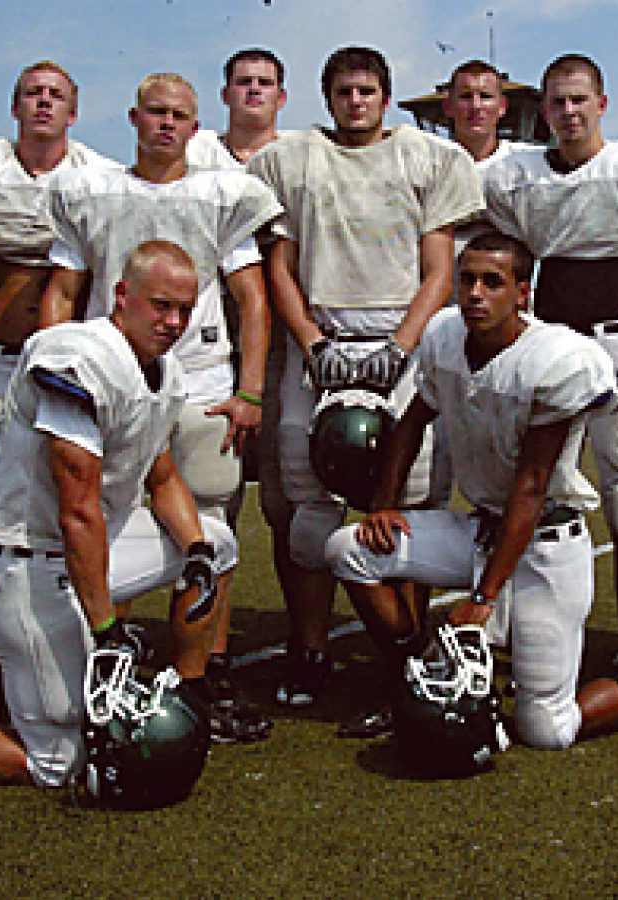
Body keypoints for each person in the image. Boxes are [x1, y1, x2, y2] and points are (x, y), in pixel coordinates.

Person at [0, 241, 237, 786]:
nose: (173, 322)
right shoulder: (77, 355)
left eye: (184, 310)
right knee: (62, 761)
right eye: (161, 305)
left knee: (216, 542)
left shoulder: (161, 372)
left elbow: (162, 478)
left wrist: (197, 554)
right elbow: (77, 512)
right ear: (122, 295)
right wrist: (108, 628)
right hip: (27, 565)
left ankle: (190, 693)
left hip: (92, 551)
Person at [326, 232, 618, 748]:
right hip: (483, 529)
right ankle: (412, 671)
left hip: (544, 545)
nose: (475, 293)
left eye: (493, 282)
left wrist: (483, 599)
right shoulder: (445, 335)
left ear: (523, 293)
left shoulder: (556, 358)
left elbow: (532, 487)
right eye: (467, 280)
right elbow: (412, 418)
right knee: (349, 549)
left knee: (546, 728)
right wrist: (382, 504)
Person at [40, 72, 281, 743]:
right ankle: (94, 654)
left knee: (209, 534)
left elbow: (253, 300)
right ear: (133, 116)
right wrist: (52, 365)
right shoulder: (93, 191)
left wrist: (251, 389)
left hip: (201, 385)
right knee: (102, 521)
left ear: (195, 125)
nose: (167, 124)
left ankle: (209, 673)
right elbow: (63, 291)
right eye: (156, 112)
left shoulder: (220, 192)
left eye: (181, 114)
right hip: (114, 384)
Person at [248, 46, 482, 710]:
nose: (357, 102)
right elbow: (281, 268)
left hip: (402, 340)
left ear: (386, 96)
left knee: (408, 504)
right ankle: (311, 650)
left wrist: (402, 345)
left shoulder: (425, 158)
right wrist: (313, 342)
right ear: (328, 98)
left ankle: (402, 650)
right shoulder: (292, 160)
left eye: (368, 91)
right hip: (319, 337)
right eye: (345, 91)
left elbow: (440, 269)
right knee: (304, 504)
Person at [482, 54, 618, 680]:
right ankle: (525, 631)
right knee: (530, 494)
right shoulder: (517, 179)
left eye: (579, 100)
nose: (569, 113)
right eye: (557, 102)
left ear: (602, 104)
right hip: (549, 351)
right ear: (543, 110)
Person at [187, 49, 294, 717]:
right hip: (197, 346)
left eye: (265, 84)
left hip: (276, 345)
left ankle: (300, 637)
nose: (253, 92)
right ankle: (209, 652)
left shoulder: (297, 156)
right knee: (211, 503)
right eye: (243, 82)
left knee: (286, 505)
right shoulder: (195, 153)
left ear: (281, 97)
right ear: (224, 91)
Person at [0, 60, 115, 477]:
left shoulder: (98, 176)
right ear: (15, 109)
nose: (44, 102)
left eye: (56, 95)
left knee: (65, 478)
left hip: (68, 356)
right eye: (34, 93)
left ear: (73, 114)